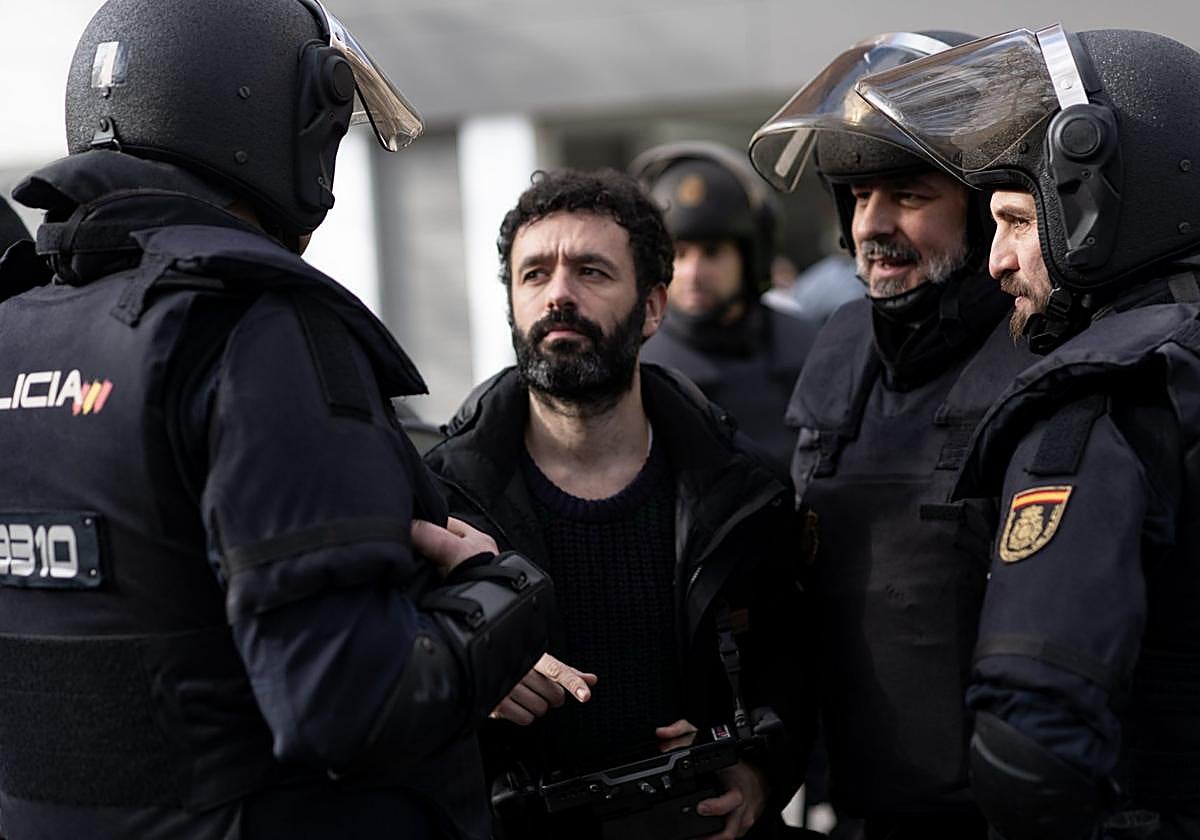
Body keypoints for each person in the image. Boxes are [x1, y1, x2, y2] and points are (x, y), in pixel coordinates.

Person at [0, 1, 551, 837]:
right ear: (276, 115)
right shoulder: (252, 329)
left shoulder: (18, 326)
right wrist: (503, 590)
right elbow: (351, 707)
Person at [856, 23, 1200, 840]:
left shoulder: (1099, 404)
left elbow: (1028, 756)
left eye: (1016, 221)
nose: (997, 262)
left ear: (1097, 211)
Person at [423, 169, 814, 839]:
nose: (559, 295)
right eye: (535, 274)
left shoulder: (744, 493)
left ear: (653, 308)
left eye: (592, 272)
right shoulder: (435, 501)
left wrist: (757, 773)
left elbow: (798, 675)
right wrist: (469, 671)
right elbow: (372, 688)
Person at [747, 31, 1035, 839]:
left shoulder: (1045, 351)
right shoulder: (838, 345)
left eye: (907, 194)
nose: (874, 225)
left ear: (984, 209)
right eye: (858, 196)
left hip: (1009, 815)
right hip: (857, 807)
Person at [632, 142, 819, 469]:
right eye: (679, 253)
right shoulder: (636, 368)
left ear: (751, 258)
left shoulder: (809, 347)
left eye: (712, 253)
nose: (692, 273)